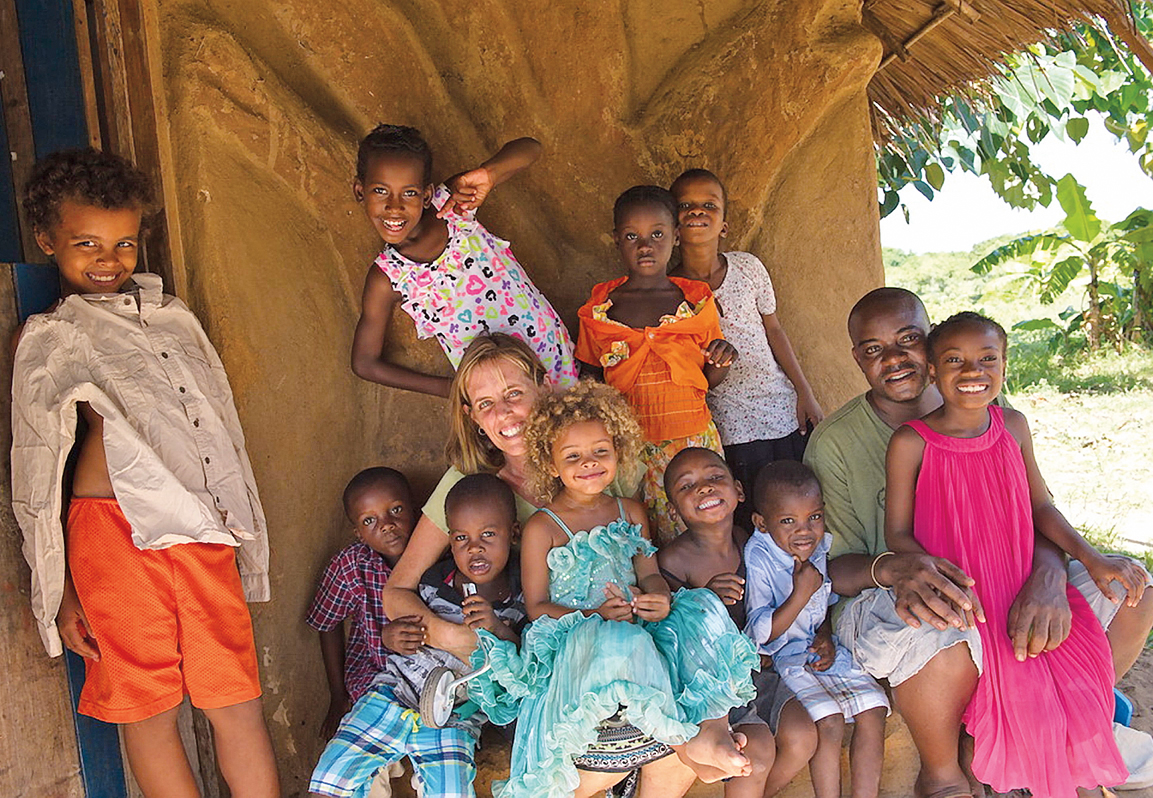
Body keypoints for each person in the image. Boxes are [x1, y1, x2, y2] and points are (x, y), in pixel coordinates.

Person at [804, 287, 1153, 798]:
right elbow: (829, 569)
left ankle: (1079, 719)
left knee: (1130, 589)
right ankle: (944, 774)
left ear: (929, 344)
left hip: (1010, 567)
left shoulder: (990, 407)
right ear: (858, 358)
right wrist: (895, 569)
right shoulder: (837, 442)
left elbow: (1036, 509)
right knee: (939, 622)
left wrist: (1050, 577)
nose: (896, 359)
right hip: (901, 590)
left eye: (908, 340)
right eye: (875, 349)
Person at [12, 148, 278, 797]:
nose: (108, 259)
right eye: (86, 243)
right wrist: (63, 593)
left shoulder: (174, 320)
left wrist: (239, 532)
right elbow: (37, 477)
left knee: (234, 701)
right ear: (48, 241)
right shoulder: (51, 337)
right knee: (148, 709)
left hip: (201, 530)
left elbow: (222, 432)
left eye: (124, 242)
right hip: (111, 541)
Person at [885, 312, 1139, 797]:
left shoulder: (1013, 426)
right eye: (954, 360)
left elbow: (1040, 504)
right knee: (1020, 694)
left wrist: (1090, 558)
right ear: (933, 372)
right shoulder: (912, 441)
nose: (972, 372)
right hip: (969, 592)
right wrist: (941, 584)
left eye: (987, 359)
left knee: (1069, 683)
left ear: (1004, 365)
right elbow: (897, 533)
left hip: (1022, 579)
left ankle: (1073, 773)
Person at [468, 381, 758, 798]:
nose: (589, 463)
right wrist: (596, 616)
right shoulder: (542, 527)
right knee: (617, 637)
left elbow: (650, 574)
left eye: (600, 451)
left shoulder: (631, 511)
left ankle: (712, 729)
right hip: (573, 639)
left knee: (703, 606)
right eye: (573, 456)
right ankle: (686, 745)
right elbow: (537, 608)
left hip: (633, 624)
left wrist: (655, 597)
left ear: (617, 451)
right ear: (550, 464)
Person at [380, 333, 640, 666]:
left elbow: (644, 554)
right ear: (472, 416)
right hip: (528, 651)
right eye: (485, 404)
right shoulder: (468, 487)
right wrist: (450, 636)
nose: (503, 413)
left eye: (513, 394)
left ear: (545, 387)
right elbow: (396, 591)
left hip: (615, 638)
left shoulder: (598, 464)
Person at [309, 473, 527, 798]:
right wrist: (390, 637)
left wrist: (497, 629)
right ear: (449, 541)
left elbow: (519, 664)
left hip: (454, 719)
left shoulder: (518, 599)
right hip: (392, 696)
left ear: (513, 534)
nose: (475, 548)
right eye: (461, 539)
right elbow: (400, 629)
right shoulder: (431, 583)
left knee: (451, 792)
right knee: (331, 779)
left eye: (488, 535)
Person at [349, 124, 577, 396]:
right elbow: (364, 363)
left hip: (556, 360)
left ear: (426, 195)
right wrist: (457, 389)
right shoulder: (388, 277)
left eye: (409, 192)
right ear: (360, 191)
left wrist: (489, 174)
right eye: (380, 191)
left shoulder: (452, 207)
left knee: (577, 433)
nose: (394, 206)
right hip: (498, 395)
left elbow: (530, 148)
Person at [575, 185, 737, 543]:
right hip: (631, 447)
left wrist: (723, 358)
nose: (645, 245)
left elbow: (710, 379)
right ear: (616, 239)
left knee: (701, 527)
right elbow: (588, 376)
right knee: (642, 535)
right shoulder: (600, 310)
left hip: (692, 440)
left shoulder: (694, 304)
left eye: (657, 234)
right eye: (632, 235)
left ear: (676, 237)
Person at [658, 447, 820, 798]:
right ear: (672, 510)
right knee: (756, 754)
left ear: (739, 491)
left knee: (804, 736)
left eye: (715, 478)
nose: (704, 488)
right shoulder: (673, 560)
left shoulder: (751, 542)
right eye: (687, 486)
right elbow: (666, 631)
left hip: (759, 670)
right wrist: (701, 599)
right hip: (712, 686)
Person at [668, 169, 823, 528]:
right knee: (753, 512)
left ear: (724, 224)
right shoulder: (670, 291)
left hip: (781, 408)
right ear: (672, 226)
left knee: (797, 507)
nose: (697, 211)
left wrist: (805, 392)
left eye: (709, 204)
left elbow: (774, 330)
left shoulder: (748, 268)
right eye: (685, 205)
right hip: (731, 423)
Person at [745, 461, 888, 798]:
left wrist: (824, 633)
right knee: (831, 722)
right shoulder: (758, 557)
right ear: (761, 523)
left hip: (817, 647)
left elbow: (821, 603)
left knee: (874, 708)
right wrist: (800, 593)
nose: (804, 531)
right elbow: (760, 635)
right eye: (787, 521)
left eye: (814, 517)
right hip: (782, 660)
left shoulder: (819, 546)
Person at [307, 467, 418, 739]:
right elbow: (327, 623)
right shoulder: (350, 565)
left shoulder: (441, 556)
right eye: (369, 521)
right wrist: (338, 695)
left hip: (430, 681)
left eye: (396, 509)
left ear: (416, 509)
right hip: (371, 678)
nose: (386, 525)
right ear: (357, 532)